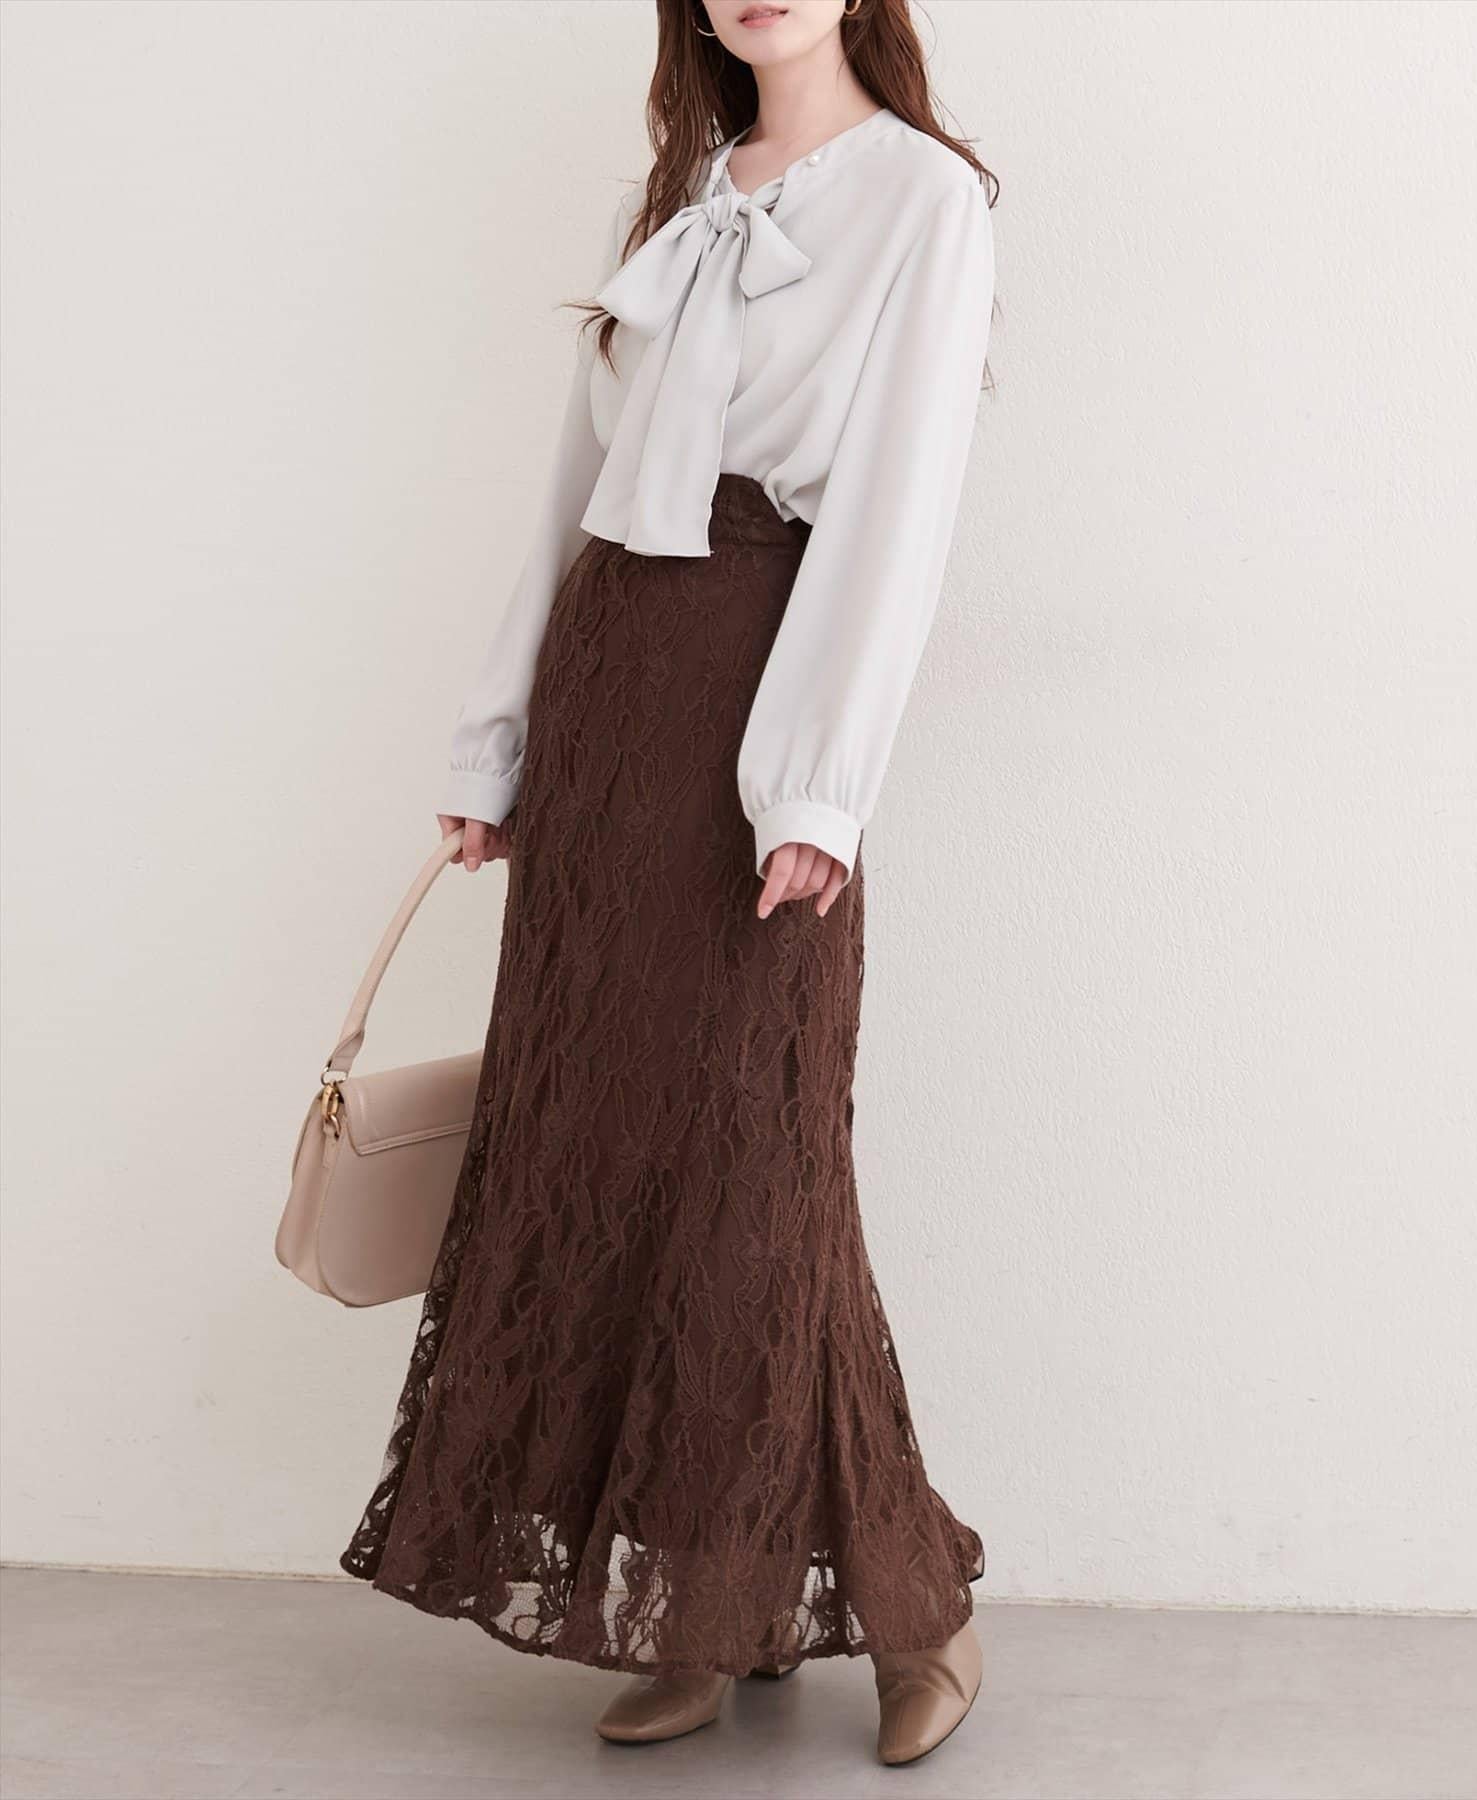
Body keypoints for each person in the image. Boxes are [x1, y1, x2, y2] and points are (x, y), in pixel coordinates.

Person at [339, 0, 997, 1769]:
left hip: (755, 697)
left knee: (754, 1177)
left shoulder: (924, 199)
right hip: (609, 697)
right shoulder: (686, 187)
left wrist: (816, 788)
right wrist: (498, 747)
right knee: (614, 1155)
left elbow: (899, 508)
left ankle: (916, 1612)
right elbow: (573, 489)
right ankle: (695, 1609)